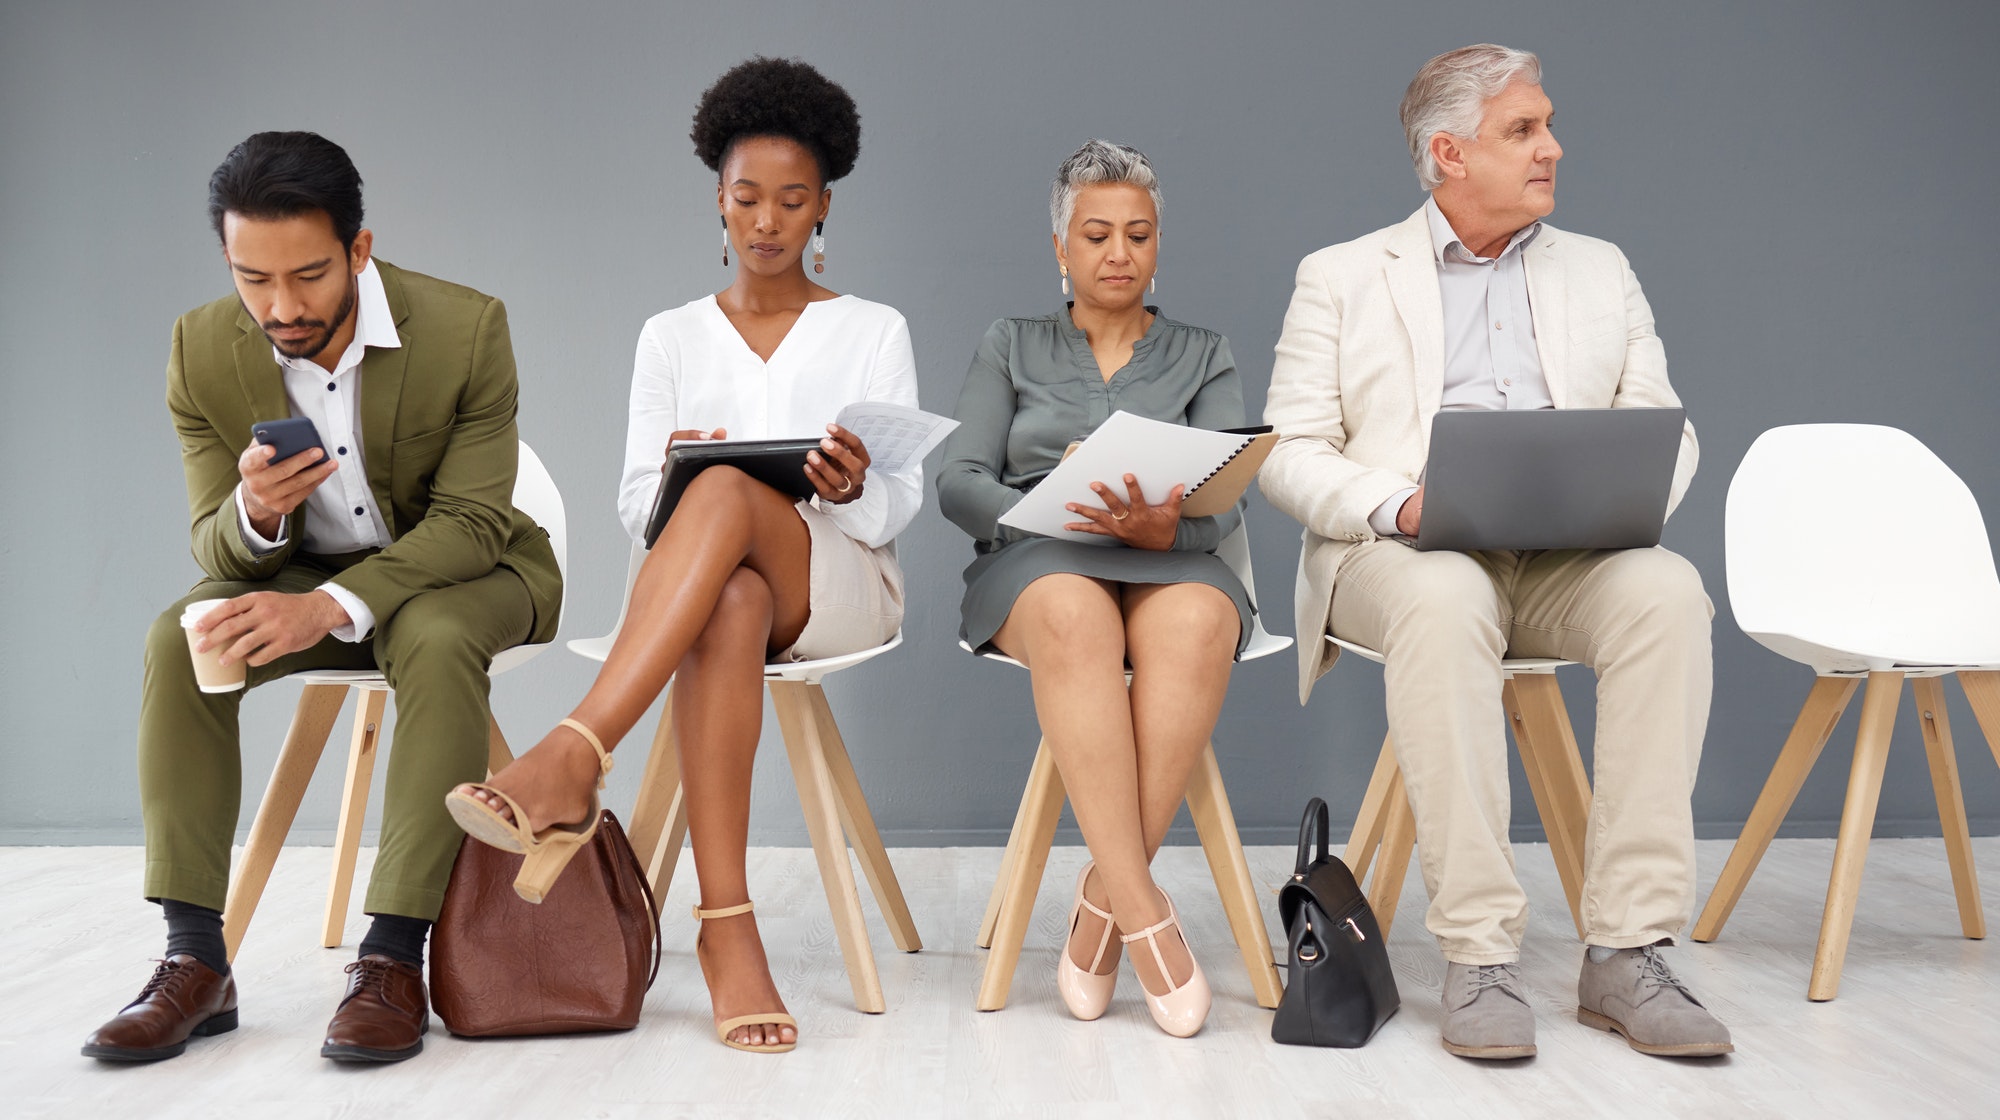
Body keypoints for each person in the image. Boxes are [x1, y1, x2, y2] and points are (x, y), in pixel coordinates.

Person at [1260, 44, 1731, 1060]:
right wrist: (1398, 505)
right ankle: (1478, 955)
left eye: (1546, 124)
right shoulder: (1342, 276)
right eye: (1522, 130)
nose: (1550, 147)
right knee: (1441, 598)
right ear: (1446, 153)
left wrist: (1620, 499)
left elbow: (1664, 425)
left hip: (1563, 558)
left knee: (1665, 591)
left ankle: (1625, 949)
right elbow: (1286, 452)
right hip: (1402, 560)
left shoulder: (1598, 269)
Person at [446, 57, 916, 1055]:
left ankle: (573, 751)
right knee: (728, 590)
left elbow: (895, 505)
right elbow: (632, 503)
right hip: (704, 589)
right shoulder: (670, 336)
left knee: (728, 499)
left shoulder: (874, 329)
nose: (766, 221)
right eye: (746, 197)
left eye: (791, 200)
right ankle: (726, 929)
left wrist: (847, 486)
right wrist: (699, 492)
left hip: (836, 581)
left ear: (823, 205)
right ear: (717, 197)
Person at [83, 132, 562, 1065]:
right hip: (302, 576)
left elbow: (470, 520)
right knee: (180, 637)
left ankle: (391, 959)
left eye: (306, 276)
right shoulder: (200, 348)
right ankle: (194, 961)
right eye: (251, 279)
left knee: (429, 632)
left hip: (472, 573)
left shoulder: (466, 327)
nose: (280, 306)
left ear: (359, 249)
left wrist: (331, 606)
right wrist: (254, 515)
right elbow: (210, 541)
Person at [937, 139, 1250, 1039]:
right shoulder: (1012, 343)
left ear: (1159, 246)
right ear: (1061, 248)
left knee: (1197, 620)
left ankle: (1102, 894)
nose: (1121, 253)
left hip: (1169, 559)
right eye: (1099, 234)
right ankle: (1146, 915)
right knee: (1076, 612)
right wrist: (1049, 507)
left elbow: (1223, 498)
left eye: (1140, 235)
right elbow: (960, 480)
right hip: (1038, 560)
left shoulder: (1204, 351)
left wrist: (1168, 528)